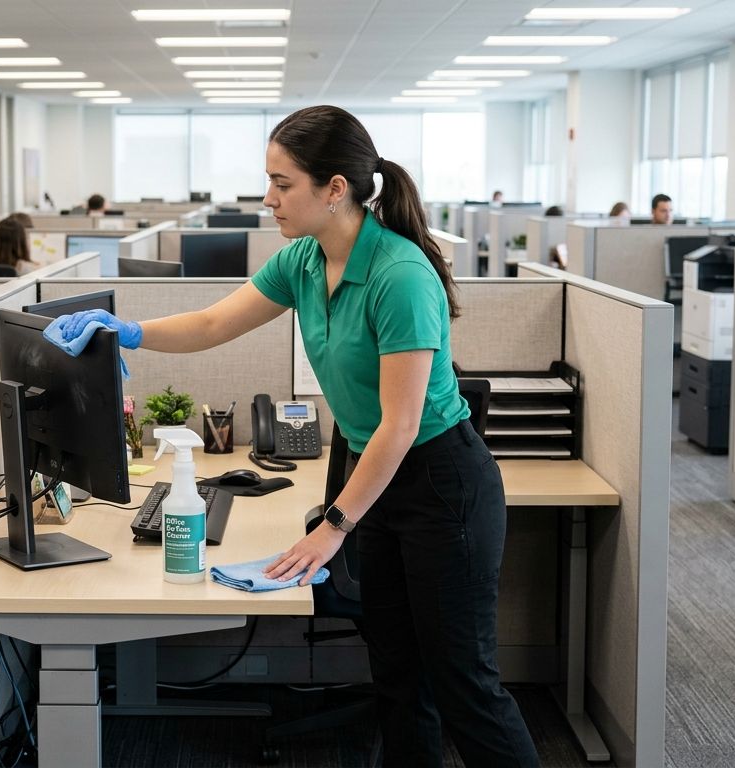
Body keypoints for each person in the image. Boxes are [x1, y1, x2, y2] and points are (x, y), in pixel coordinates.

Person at [51, 105, 539, 767]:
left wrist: (333, 526)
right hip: (375, 477)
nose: (268, 198)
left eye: (282, 183)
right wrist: (123, 332)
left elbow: (399, 426)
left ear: (334, 189)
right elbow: (212, 323)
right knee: (398, 676)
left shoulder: (400, 276)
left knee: (465, 686)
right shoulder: (305, 261)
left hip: (438, 484)